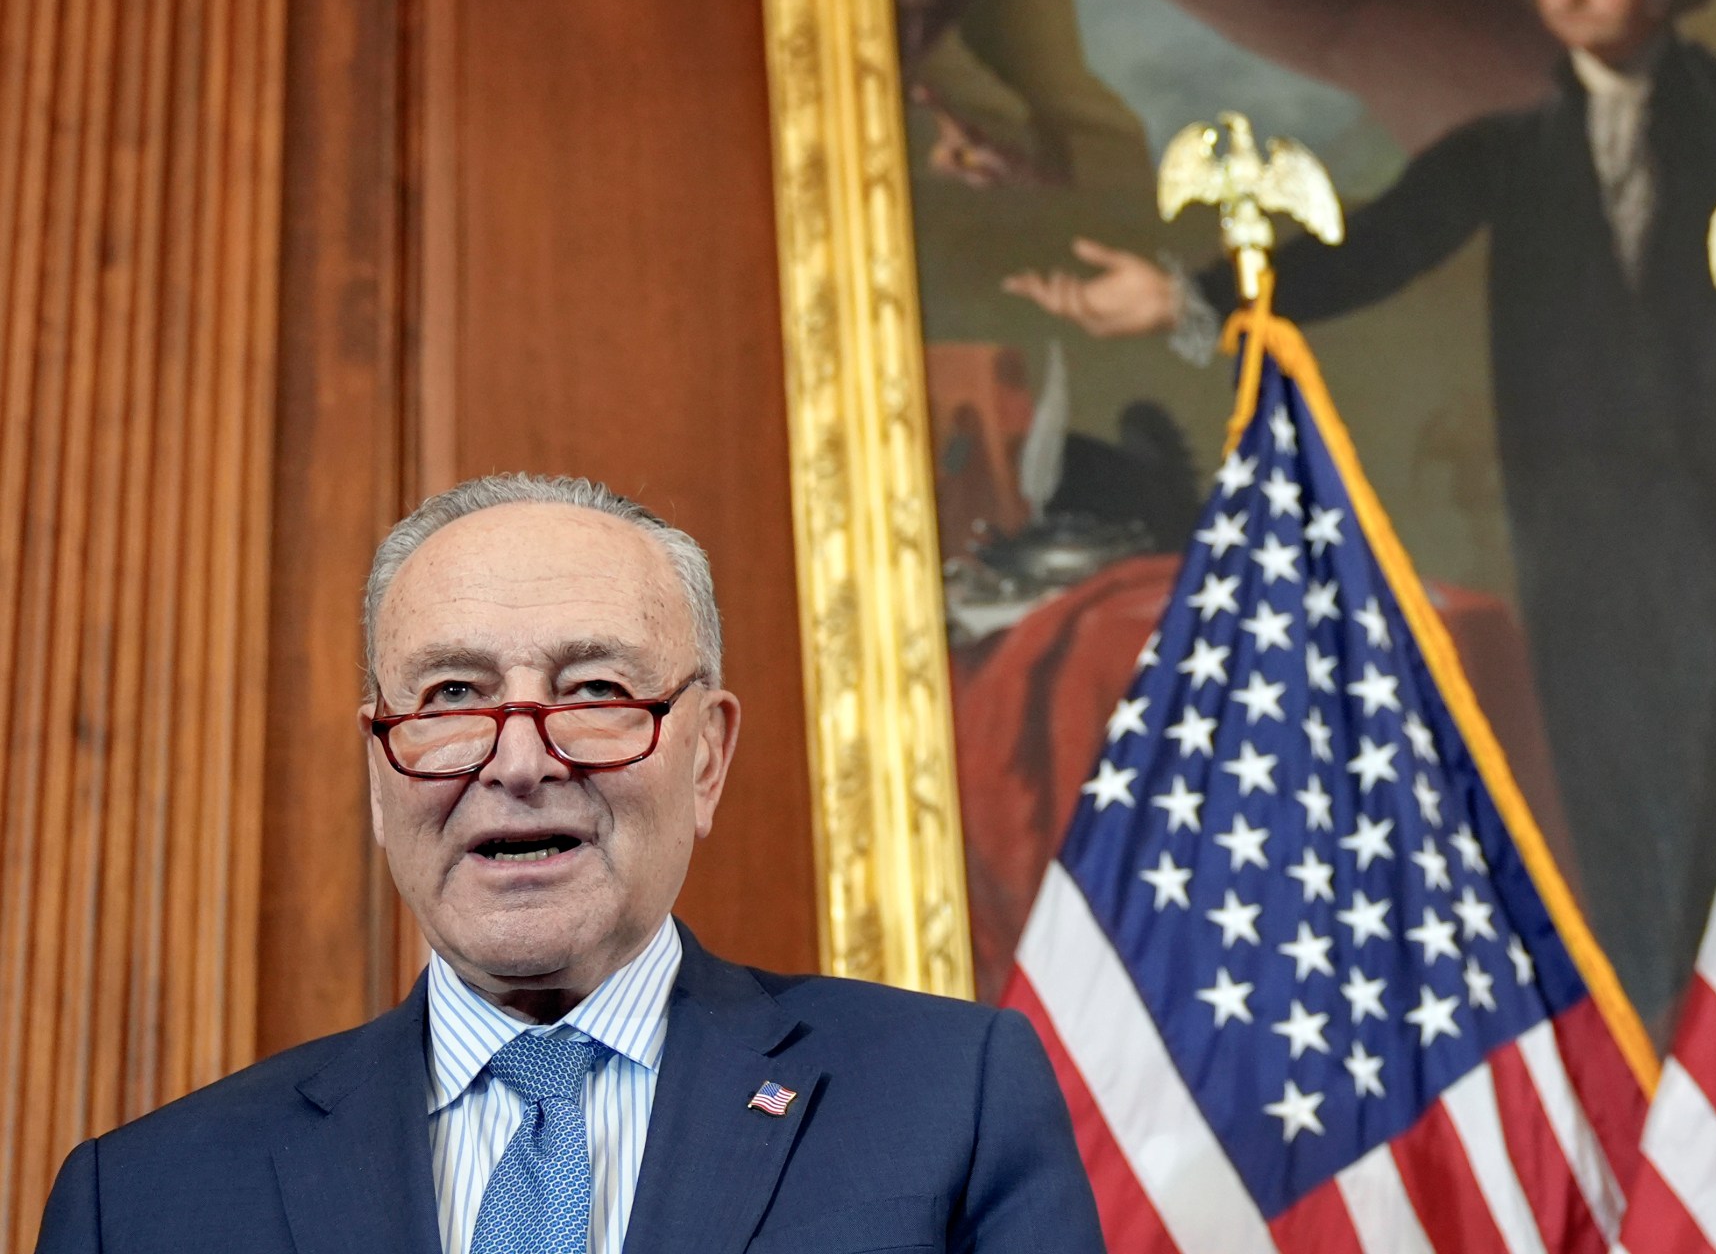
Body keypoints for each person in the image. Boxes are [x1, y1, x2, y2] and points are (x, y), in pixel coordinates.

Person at [1005, 0, 1716, 1027]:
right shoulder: (1507, 158)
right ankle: (1664, 1042)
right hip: (1589, 553)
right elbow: (1372, 249)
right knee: (1617, 798)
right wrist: (1185, 297)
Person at [36, 475, 1103, 1253]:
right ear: (377, 769)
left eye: (594, 692)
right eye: (451, 696)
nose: (517, 758)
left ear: (707, 757)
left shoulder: (948, 1102)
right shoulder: (137, 1202)